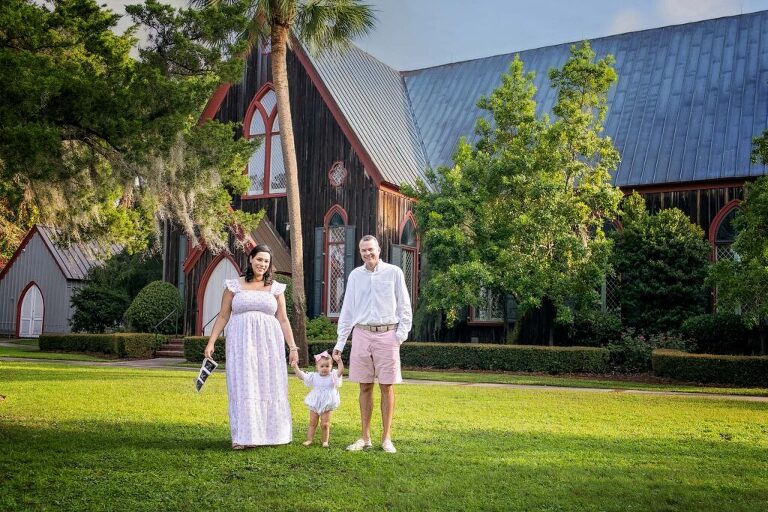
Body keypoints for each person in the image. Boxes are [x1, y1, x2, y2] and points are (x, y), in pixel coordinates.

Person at [204, 244, 299, 449]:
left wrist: (292, 347)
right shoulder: (233, 286)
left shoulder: (276, 288)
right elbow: (223, 315)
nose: (262, 264)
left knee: (268, 384)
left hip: (269, 344)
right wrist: (211, 341)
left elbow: (283, 319)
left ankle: (271, 434)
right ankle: (243, 436)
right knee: (243, 384)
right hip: (241, 342)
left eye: (266, 261)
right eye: (259, 260)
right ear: (251, 259)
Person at [333, 235, 412, 454]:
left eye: (371, 249)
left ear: (378, 249)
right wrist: (341, 341)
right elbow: (347, 309)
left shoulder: (394, 272)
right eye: (363, 251)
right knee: (364, 385)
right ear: (360, 253)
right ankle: (365, 437)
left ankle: (387, 439)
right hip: (361, 334)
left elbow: (405, 305)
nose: (368, 254)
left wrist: (400, 335)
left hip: (388, 334)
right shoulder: (355, 276)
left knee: (387, 386)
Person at [290, 350, 344, 448]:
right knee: (312, 422)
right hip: (315, 402)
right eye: (322, 366)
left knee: (325, 424)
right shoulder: (314, 376)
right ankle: (309, 439)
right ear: (317, 367)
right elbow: (301, 376)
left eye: (327, 366)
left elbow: (340, 371)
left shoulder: (332, 376)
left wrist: (339, 362)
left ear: (331, 367)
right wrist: (295, 367)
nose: (324, 368)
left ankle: (325, 441)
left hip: (327, 402)